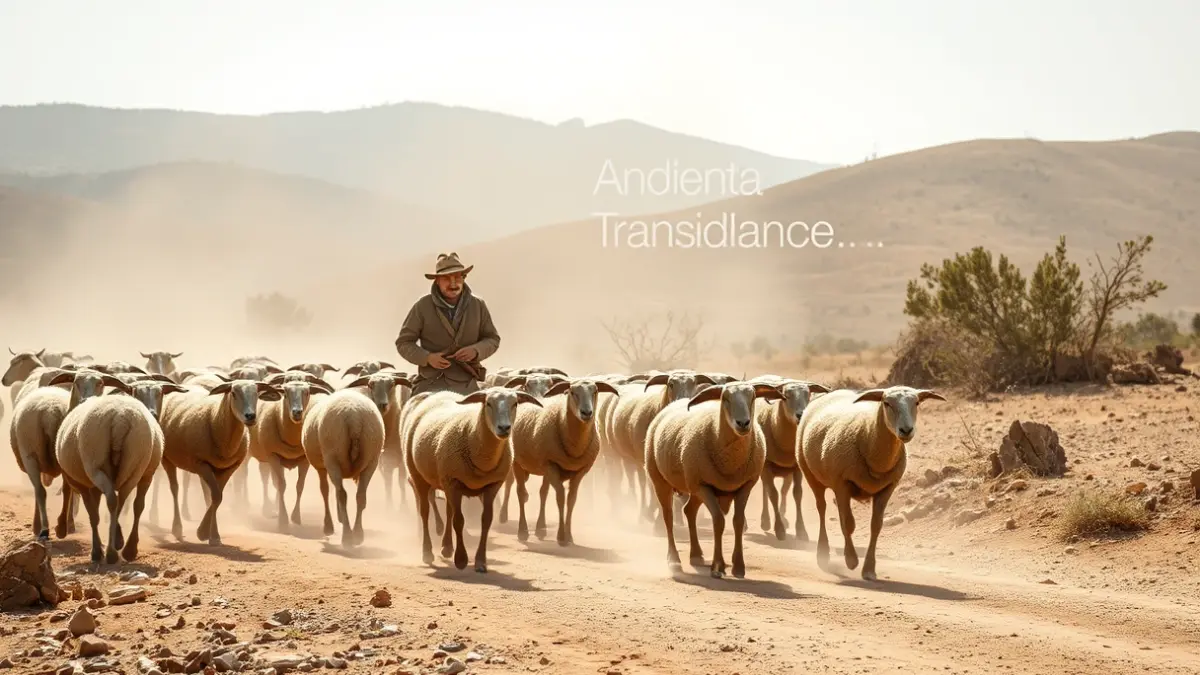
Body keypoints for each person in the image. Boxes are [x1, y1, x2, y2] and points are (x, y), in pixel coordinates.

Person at [395, 252, 501, 396]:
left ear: (464, 278)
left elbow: (492, 339)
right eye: (446, 278)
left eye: (457, 277)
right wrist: (427, 358)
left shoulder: (478, 305)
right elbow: (404, 342)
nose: (453, 283)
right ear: (437, 281)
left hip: (466, 385)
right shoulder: (422, 306)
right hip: (430, 384)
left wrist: (475, 350)